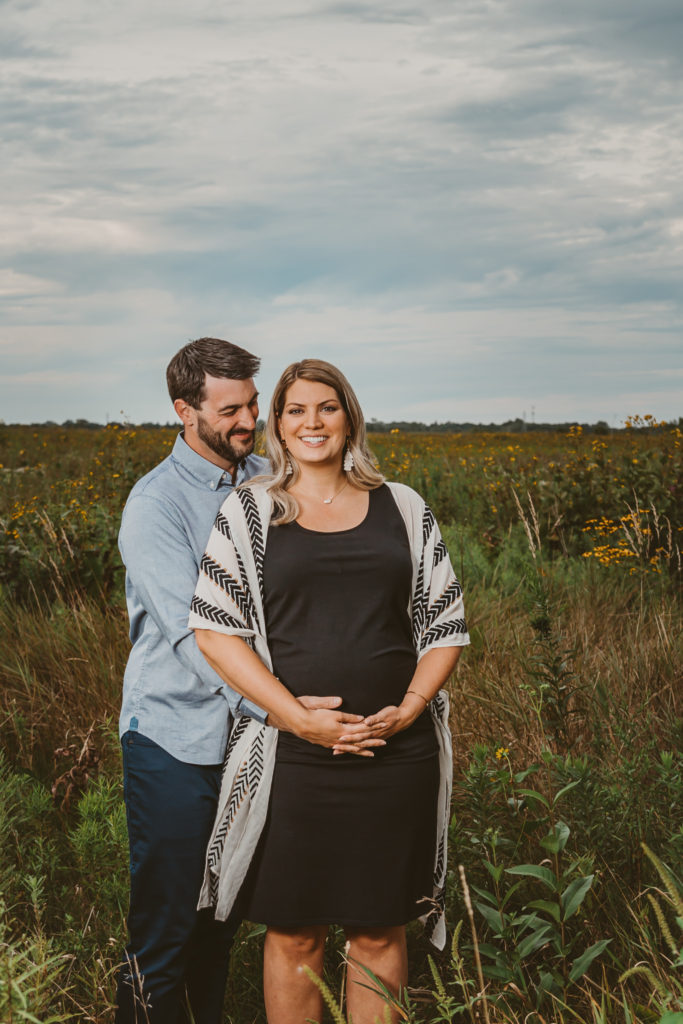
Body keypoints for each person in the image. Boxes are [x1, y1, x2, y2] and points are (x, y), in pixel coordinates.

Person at [188, 359, 470, 1024]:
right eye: (294, 411)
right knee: (294, 931)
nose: (311, 422)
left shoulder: (402, 506)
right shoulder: (250, 510)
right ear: (278, 429)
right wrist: (296, 719)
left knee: (378, 930)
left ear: (349, 419)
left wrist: (409, 708)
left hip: (393, 754)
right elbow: (214, 631)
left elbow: (446, 626)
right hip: (293, 758)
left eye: (326, 408)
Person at [116, 339, 375, 1024]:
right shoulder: (155, 507)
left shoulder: (272, 481)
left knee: (223, 918)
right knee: (168, 928)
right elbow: (194, 637)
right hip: (177, 742)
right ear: (184, 410)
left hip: (258, 743)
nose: (248, 420)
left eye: (254, 404)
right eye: (230, 409)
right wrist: (283, 711)